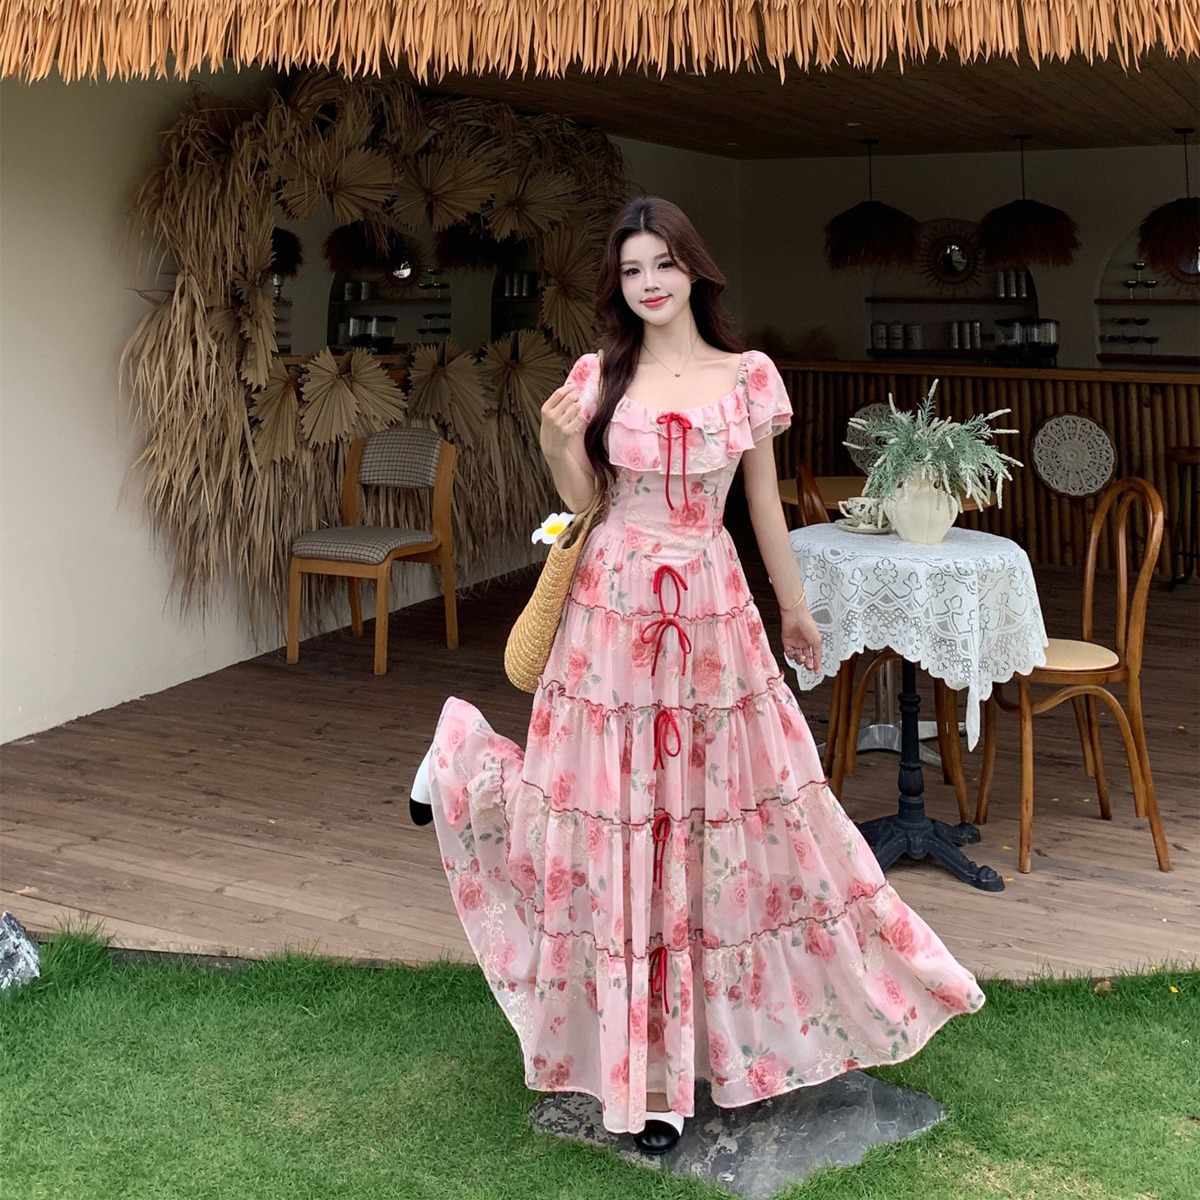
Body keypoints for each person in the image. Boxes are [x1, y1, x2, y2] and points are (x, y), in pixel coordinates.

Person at [410, 196, 984, 1154]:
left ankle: (687, 1061)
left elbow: (761, 505)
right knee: (599, 823)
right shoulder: (598, 376)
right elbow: (587, 502)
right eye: (632, 269)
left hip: (713, 619)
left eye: (663, 264)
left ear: (693, 270)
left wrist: (795, 607)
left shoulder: (747, 377)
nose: (649, 283)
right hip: (611, 619)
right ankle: (650, 1080)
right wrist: (555, 446)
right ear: (619, 284)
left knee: (738, 825)